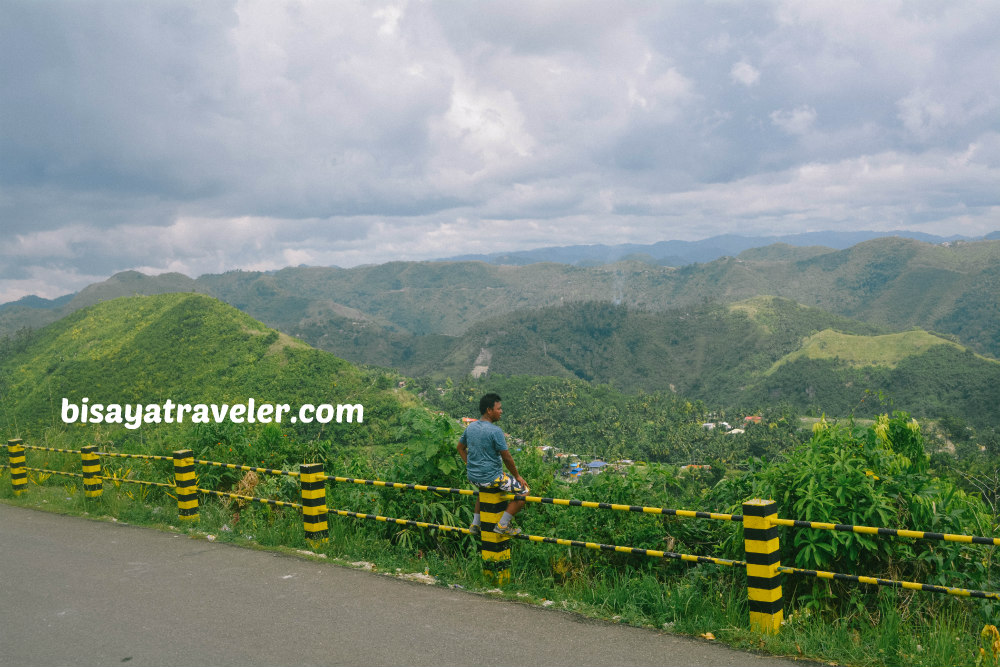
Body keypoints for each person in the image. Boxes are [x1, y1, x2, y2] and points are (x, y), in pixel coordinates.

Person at [457, 392, 530, 536]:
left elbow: (460, 448)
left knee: (482, 489)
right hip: (491, 478)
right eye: (499, 409)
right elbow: (507, 457)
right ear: (489, 410)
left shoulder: (470, 427)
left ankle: (475, 524)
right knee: (524, 491)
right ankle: (503, 525)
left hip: (473, 477)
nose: (501, 411)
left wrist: (469, 464)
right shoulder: (495, 431)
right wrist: (517, 476)